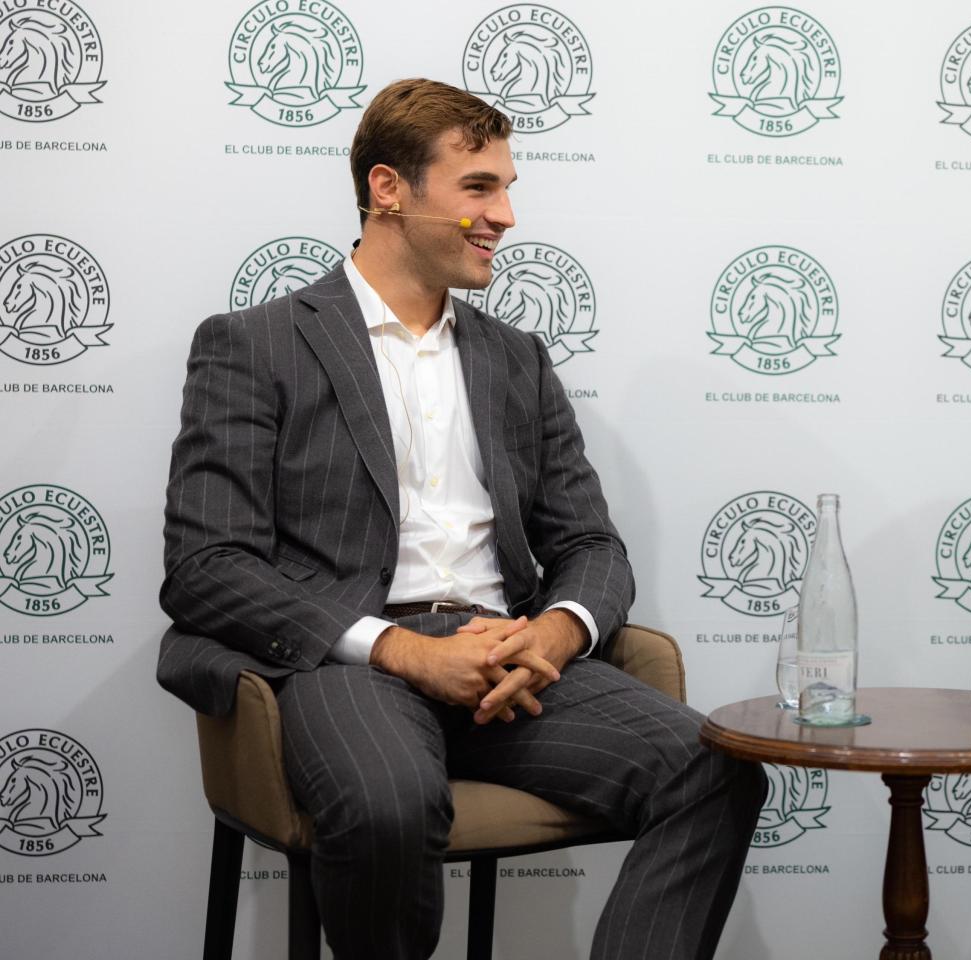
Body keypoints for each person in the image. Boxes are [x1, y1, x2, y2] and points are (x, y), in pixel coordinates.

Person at [158, 78, 764, 960]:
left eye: (508, 188)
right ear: (388, 189)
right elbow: (207, 565)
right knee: (385, 804)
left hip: (506, 660)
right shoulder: (255, 345)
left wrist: (556, 633)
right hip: (353, 662)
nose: (507, 214)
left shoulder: (515, 357)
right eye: (480, 187)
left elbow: (590, 543)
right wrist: (406, 652)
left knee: (716, 767)